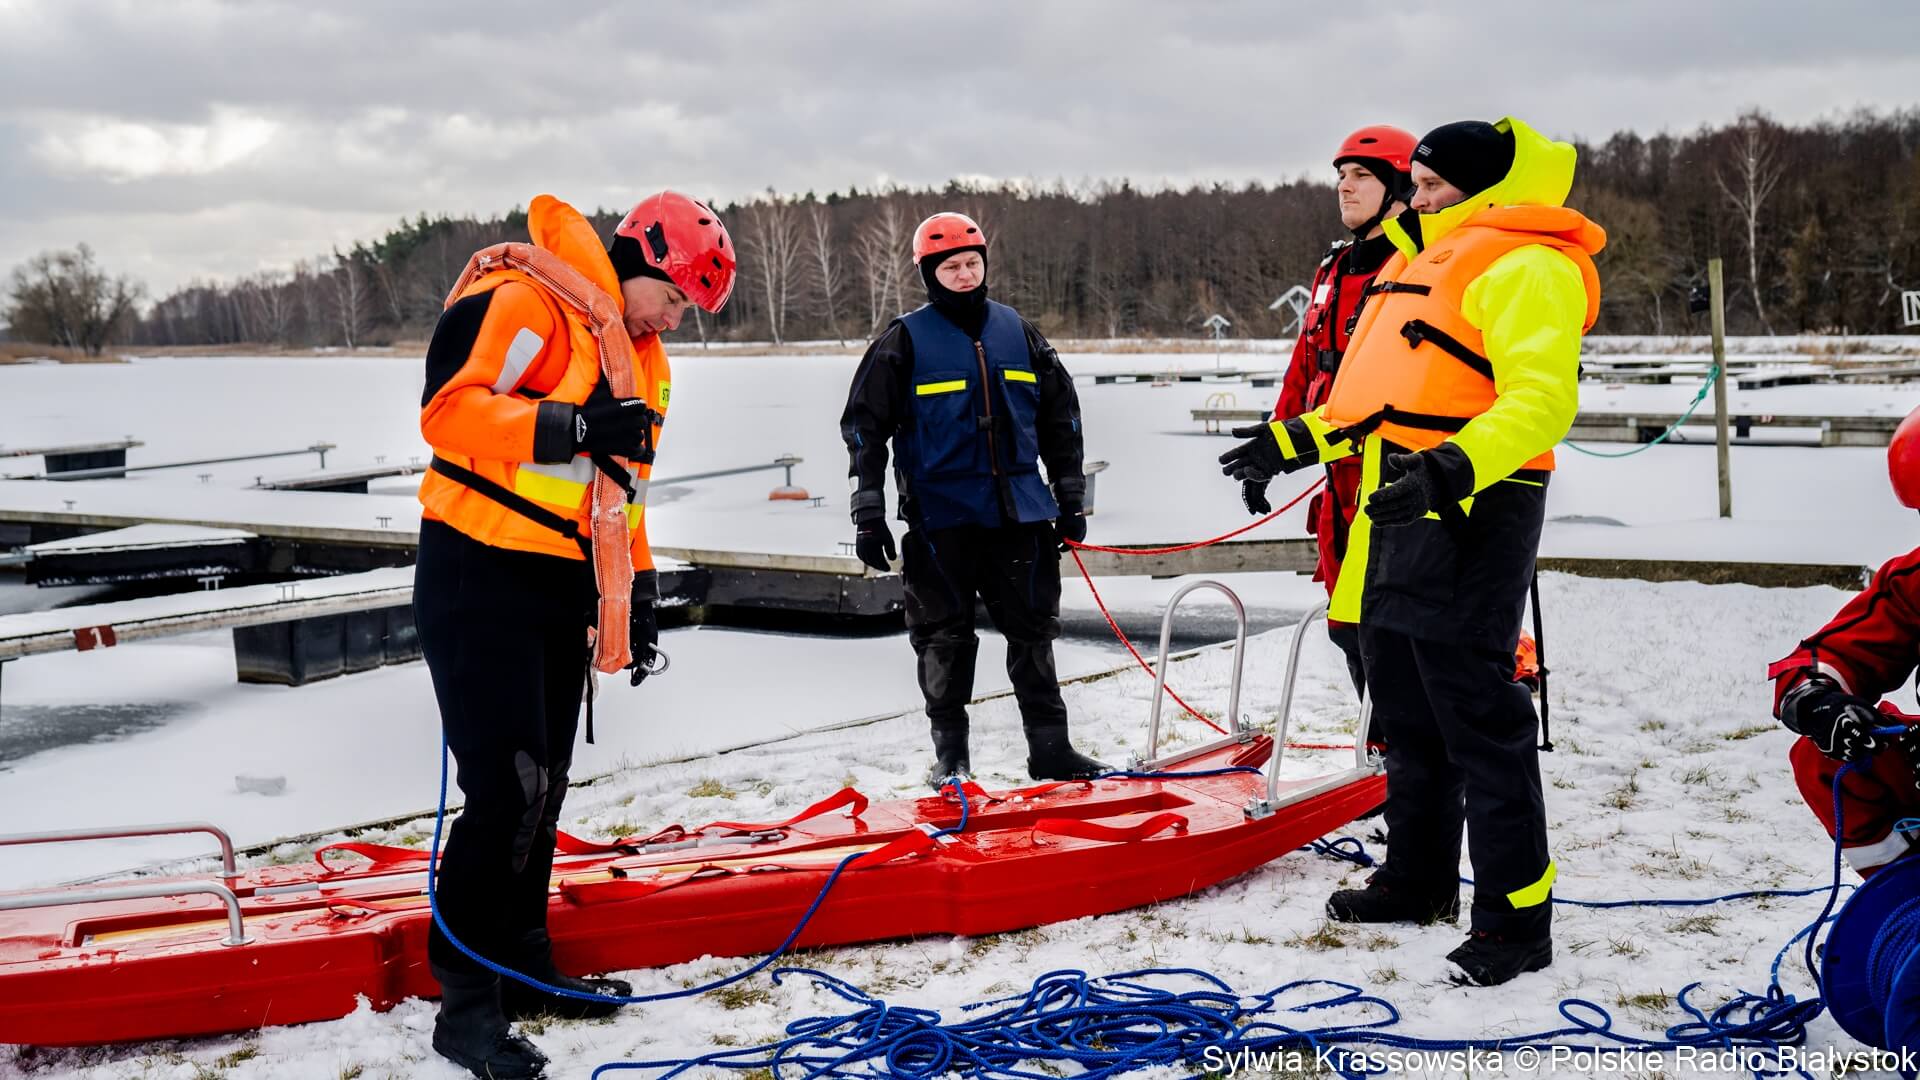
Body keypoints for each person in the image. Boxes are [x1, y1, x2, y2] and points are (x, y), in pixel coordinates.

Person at [1219, 117, 1606, 986]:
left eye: (1431, 188)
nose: (1417, 201)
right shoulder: (1420, 263)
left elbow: (1542, 401)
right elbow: (1377, 401)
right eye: (1418, 187)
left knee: (1479, 713)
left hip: (1478, 501)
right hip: (1396, 497)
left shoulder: (1526, 263)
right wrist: (1289, 444)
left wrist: (1450, 470)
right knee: (1400, 705)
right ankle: (1419, 877)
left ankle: (1516, 919)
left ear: (1489, 189)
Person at [413, 191, 734, 1078]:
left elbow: (618, 492)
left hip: (561, 583)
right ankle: (466, 1006)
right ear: (642, 266)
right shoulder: (525, 302)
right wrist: (575, 424)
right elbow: (448, 412)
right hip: (478, 569)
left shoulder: (644, 362)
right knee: (505, 792)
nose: (678, 320)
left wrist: (641, 588)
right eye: (674, 300)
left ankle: (523, 967)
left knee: (545, 787)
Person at [840, 211, 1107, 789]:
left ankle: (1051, 750)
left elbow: (1062, 418)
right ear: (928, 274)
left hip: (1021, 515)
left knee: (1034, 636)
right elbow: (863, 429)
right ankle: (951, 760)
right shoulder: (902, 341)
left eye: (972, 263)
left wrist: (1070, 495)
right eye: (951, 267)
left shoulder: (1021, 332)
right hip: (941, 524)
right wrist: (868, 511)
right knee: (944, 642)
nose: (964, 275)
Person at [1248, 125, 1416, 695]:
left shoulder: (1418, 268)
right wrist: (1272, 446)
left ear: (1400, 187)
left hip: (1395, 472)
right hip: (1332, 475)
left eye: (1361, 176)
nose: (1345, 188)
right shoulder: (1334, 269)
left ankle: (1427, 766)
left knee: (1400, 623)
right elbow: (1306, 366)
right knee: (1347, 624)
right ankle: (1382, 752)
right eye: (1341, 177)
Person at [1769, 404, 1920, 878]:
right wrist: (1817, 701)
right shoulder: (1914, 582)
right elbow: (1831, 654)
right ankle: (1902, 898)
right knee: (1824, 760)